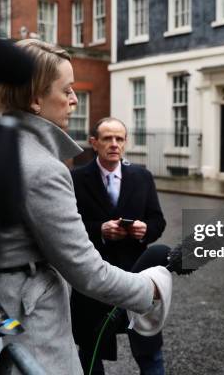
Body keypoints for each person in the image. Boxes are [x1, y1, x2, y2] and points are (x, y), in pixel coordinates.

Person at [0, 39, 170, 374]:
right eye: (66, 90)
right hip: (31, 325)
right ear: (36, 99)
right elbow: (86, 271)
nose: (74, 100)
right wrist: (152, 290)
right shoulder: (44, 168)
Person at [71, 117, 167, 375]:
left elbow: (158, 221)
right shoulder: (76, 178)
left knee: (149, 351)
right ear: (94, 143)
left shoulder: (142, 176)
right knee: (90, 353)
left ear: (125, 143)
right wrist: (99, 230)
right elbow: (68, 227)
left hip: (136, 273)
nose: (114, 144)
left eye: (119, 138)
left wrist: (145, 230)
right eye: (107, 138)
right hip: (92, 276)